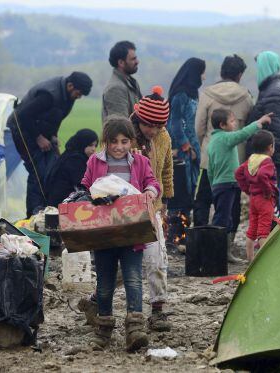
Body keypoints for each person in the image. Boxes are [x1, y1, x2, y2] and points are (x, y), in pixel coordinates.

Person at [81, 116, 160, 352]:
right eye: (113, 141)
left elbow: (153, 183)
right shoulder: (95, 162)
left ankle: (135, 328)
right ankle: (103, 329)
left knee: (133, 278)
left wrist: (149, 192)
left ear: (131, 141)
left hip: (133, 232)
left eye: (124, 141)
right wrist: (88, 198)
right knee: (104, 283)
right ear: (106, 141)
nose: (119, 146)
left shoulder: (140, 162)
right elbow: (85, 186)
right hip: (103, 234)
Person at [7, 72, 93, 217]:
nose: (79, 97)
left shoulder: (68, 96)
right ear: (70, 86)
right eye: (79, 93)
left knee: (52, 170)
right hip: (22, 130)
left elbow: (56, 118)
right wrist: (39, 138)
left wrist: (53, 136)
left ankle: (48, 210)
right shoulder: (48, 95)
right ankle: (34, 214)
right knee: (37, 172)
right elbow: (23, 115)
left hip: (41, 131)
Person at [195, 54, 254, 257]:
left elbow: (199, 127)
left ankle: (201, 240)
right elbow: (246, 127)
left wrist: (205, 146)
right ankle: (226, 246)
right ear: (239, 75)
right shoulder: (246, 96)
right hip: (234, 162)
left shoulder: (207, 94)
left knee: (203, 199)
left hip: (209, 157)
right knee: (232, 204)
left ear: (221, 71)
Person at [130, 86, 173, 331]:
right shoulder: (124, 137)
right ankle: (98, 298)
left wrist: (165, 198)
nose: (153, 131)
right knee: (126, 261)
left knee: (157, 257)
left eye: (158, 126)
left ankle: (158, 308)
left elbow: (166, 169)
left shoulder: (163, 137)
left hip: (153, 206)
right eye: (149, 125)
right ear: (139, 118)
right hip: (127, 209)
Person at [207, 109, 272, 262]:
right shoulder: (225, 138)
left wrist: (212, 186)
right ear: (222, 125)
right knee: (222, 219)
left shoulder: (212, 142)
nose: (235, 123)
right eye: (232, 121)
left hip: (220, 184)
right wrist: (259, 123)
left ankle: (225, 253)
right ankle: (216, 256)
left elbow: (210, 169)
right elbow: (242, 134)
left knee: (228, 217)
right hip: (227, 184)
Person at [166, 57, 206, 248]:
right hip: (183, 152)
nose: (204, 76)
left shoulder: (192, 92)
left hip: (193, 149)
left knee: (190, 191)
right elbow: (174, 123)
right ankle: (176, 236)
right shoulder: (180, 95)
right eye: (201, 72)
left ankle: (183, 234)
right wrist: (185, 146)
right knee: (182, 191)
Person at [246, 51, 280, 186]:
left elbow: (276, 129)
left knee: (267, 196)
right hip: (268, 156)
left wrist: (265, 157)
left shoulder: (273, 92)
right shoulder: (271, 88)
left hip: (269, 158)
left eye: (259, 67)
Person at [235, 130, 278, 261]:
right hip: (265, 200)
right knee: (264, 230)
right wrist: (267, 192)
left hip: (253, 199)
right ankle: (264, 260)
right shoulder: (267, 162)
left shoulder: (251, 159)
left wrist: (247, 190)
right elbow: (262, 175)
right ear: (270, 147)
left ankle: (250, 259)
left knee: (252, 229)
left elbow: (238, 173)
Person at [44, 129, 98, 207]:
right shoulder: (74, 159)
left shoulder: (70, 155)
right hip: (61, 204)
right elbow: (84, 183)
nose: (93, 149)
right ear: (82, 144)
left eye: (95, 146)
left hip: (62, 201)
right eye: (90, 145)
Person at [102, 40, 142, 122]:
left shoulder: (131, 82)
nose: (137, 61)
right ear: (121, 62)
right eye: (133, 59)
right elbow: (120, 126)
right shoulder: (116, 88)